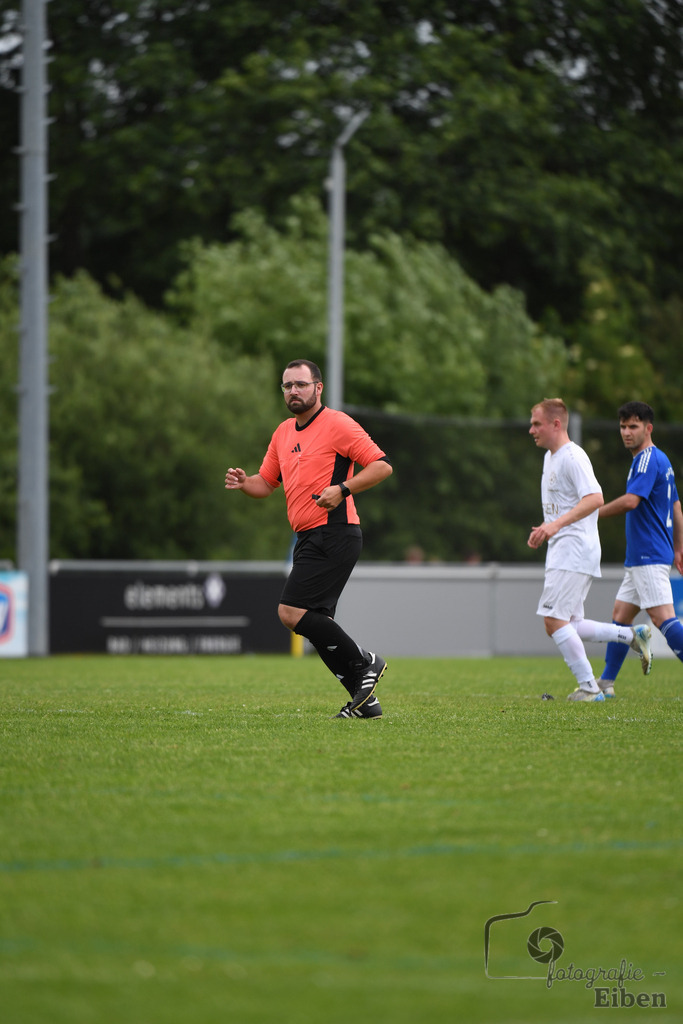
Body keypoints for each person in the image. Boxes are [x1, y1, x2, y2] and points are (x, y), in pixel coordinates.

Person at [225, 359, 392, 719]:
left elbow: (381, 466)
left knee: (290, 612)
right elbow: (265, 484)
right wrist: (244, 483)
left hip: (336, 533)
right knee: (318, 627)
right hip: (307, 537)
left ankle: (366, 663)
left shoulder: (338, 424)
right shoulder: (283, 432)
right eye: (287, 386)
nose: (293, 391)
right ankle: (365, 702)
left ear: (318, 388)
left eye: (300, 384)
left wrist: (343, 489)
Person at [527, 398, 652, 702]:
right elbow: (564, 506)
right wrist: (548, 527)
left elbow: (595, 498)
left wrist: (555, 526)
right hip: (564, 548)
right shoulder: (550, 458)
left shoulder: (573, 457)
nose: (531, 430)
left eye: (537, 423)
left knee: (553, 621)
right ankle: (630, 635)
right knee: (571, 624)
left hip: (574, 548)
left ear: (556, 424)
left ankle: (590, 688)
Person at [597, 401, 683, 697]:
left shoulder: (646, 459)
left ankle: (605, 681)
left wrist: (591, 513)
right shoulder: (662, 460)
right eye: (623, 426)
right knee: (621, 616)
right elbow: (676, 507)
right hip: (642, 556)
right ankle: (606, 683)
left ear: (648, 428)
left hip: (649, 553)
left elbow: (631, 501)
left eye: (633, 426)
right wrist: (679, 549)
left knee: (662, 619)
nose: (626, 432)